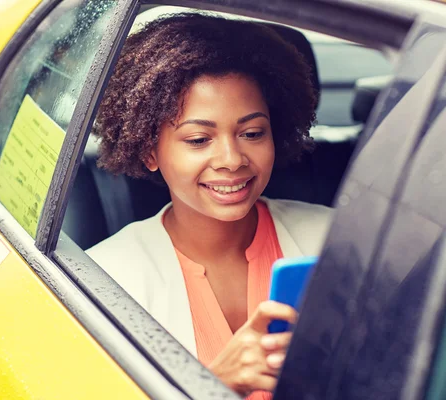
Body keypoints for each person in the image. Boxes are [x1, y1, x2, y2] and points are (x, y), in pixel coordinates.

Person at [87, 13, 332, 398]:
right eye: (199, 139)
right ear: (150, 151)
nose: (232, 159)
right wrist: (212, 383)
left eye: (252, 133)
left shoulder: (338, 239)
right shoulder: (105, 279)